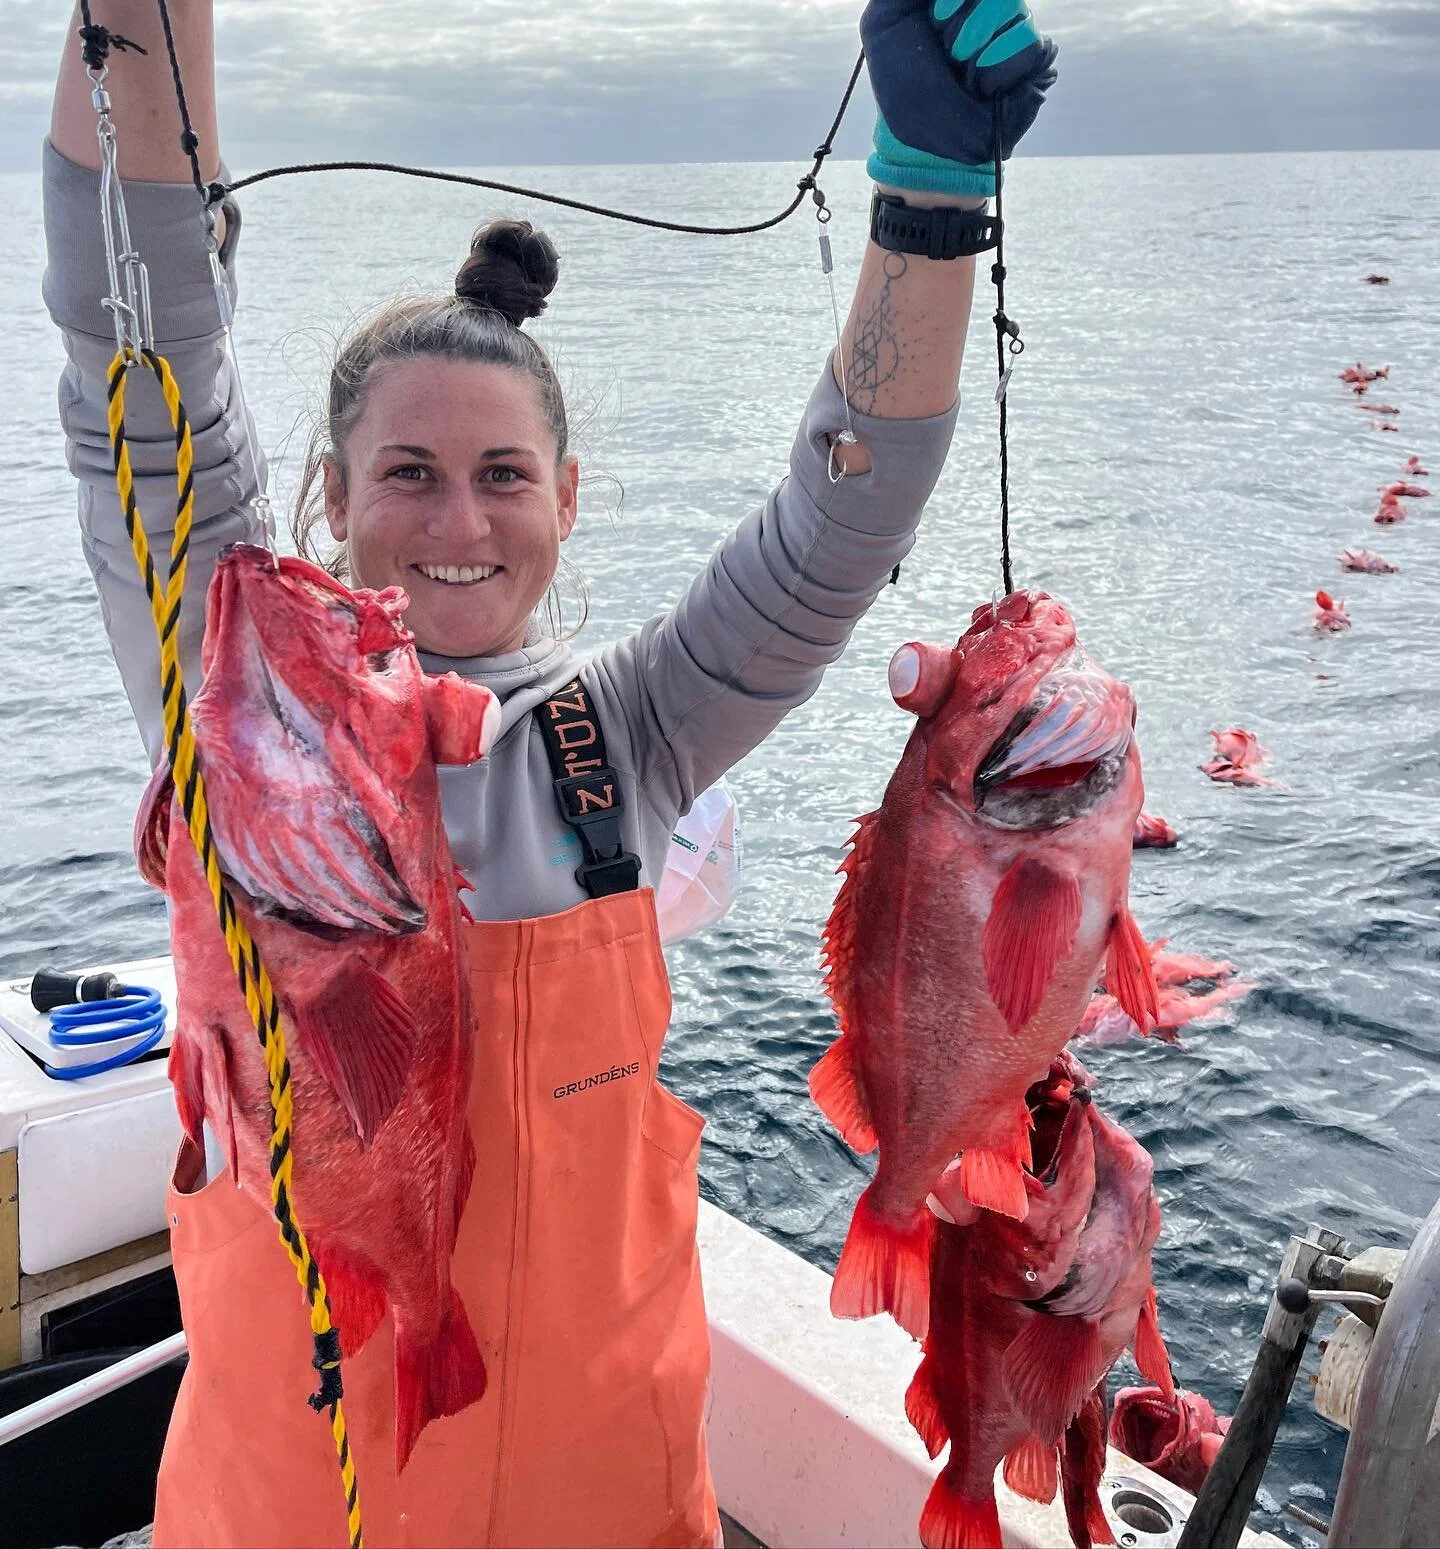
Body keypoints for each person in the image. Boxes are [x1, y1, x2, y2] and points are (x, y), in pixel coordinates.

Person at [43, 2, 1056, 1544]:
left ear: (567, 501)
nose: (458, 521)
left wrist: (927, 203)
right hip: (287, 1507)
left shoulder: (632, 737)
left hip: (618, 1493)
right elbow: (137, 347)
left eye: (502, 475)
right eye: (407, 473)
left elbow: (840, 522)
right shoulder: (237, 691)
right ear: (329, 494)